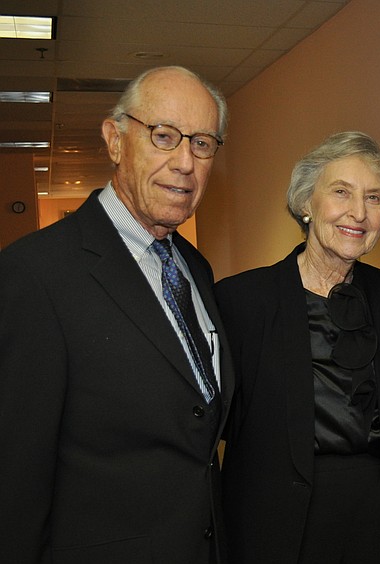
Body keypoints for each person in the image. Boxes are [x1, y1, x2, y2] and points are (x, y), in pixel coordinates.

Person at [0, 66, 233, 562]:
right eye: (164, 136)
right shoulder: (35, 275)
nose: (185, 163)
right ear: (115, 139)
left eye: (203, 144)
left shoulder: (195, 268)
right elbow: (14, 480)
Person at [215, 131, 380, 563]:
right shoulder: (242, 301)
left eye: (374, 198)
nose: (358, 213)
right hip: (277, 523)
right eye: (341, 192)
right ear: (306, 203)